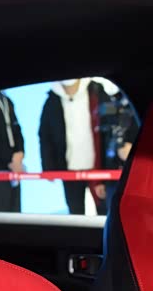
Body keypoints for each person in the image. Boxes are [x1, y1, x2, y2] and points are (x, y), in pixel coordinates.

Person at [39, 78, 137, 215]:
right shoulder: (52, 101)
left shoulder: (96, 92)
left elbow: (110, 127)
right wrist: (48, 167)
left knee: (105, 212)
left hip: (98, 168)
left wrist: (108, 165)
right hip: (69, 169)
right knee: (75, 213)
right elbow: (45, 136)